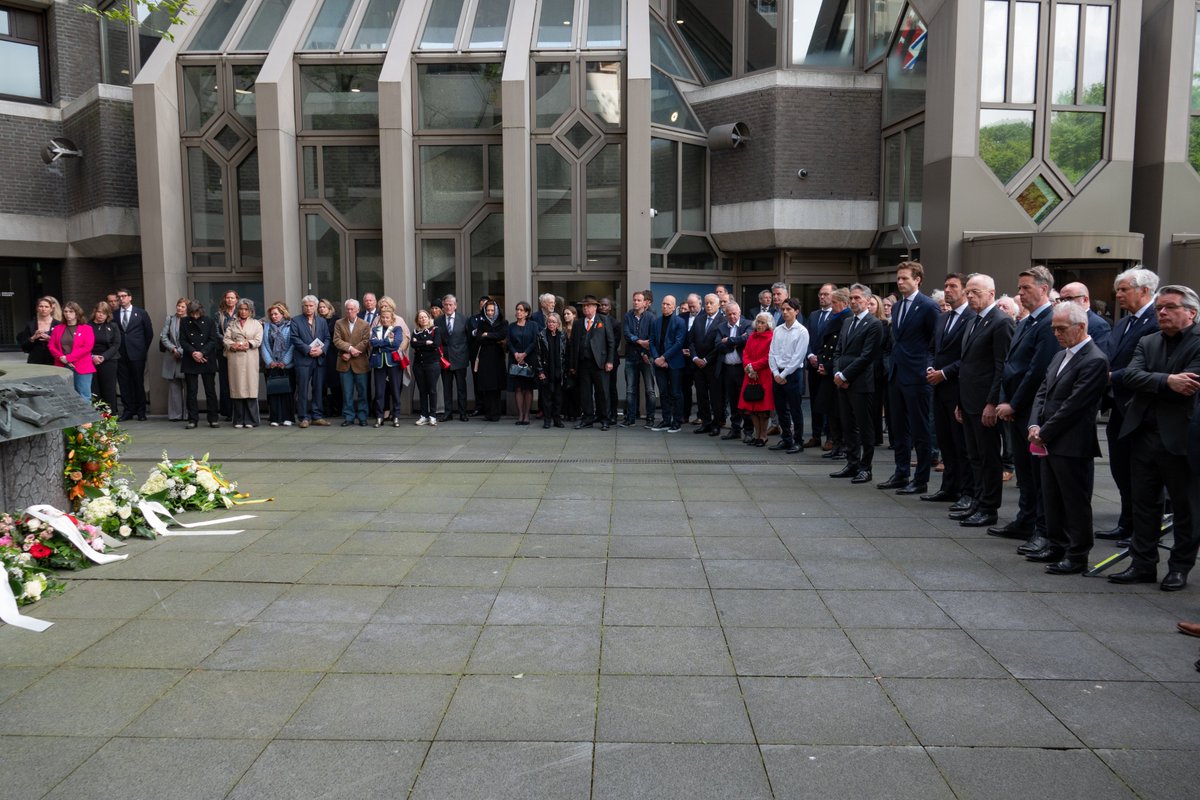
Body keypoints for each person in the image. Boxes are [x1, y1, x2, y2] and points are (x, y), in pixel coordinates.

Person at [1109, 285, 1200, 591]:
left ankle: (1179, 567)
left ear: (1191, 312)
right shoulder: (1148, 341)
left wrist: (1156, 382)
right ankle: (1142, 563)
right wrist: (1167, 381)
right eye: (1159, 307)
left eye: (1170, 307)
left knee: (1185, 507)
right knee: (1144, 504)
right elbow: (1131, 376)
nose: (1161, 313)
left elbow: (1191, 385)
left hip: (1182, 437)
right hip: (1143, 434)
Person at [1025, 302, 1110, 572]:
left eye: (1061, 329)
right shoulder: (1060, 356)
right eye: (1053, 329)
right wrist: (1034, 425)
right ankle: (1056, 545)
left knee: (1074, 500)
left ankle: (1077, 554)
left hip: (1072, 442)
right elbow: (1043, 392)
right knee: (1051, 496)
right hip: (1048, 438)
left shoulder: (1094, 359)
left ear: (1081, 327)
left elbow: (1075, 405)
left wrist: (1044, 432)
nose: (1056, 334)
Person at [990, 266, 1061, 555]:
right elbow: (1010, 365)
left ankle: (1041, 528)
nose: (1020, 293)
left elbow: (1037, 371)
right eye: (1019, 288)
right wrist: (1005, 400)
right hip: (1015, 407)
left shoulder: (1048, 322)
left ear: (1043, 289)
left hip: (1031, 410)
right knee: (1024, 471)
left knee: (1037, 473)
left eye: (1025, 288)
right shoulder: (1026, 321)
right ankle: (1025, 519)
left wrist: (1014, 403)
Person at [1096, 268, 1160, 542]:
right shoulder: (1123, 323)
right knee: (1121, 468)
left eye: (1124, 289)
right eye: (1118, 289)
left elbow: (1147, 364)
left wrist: (1110, 376)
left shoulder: (1157, 320)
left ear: (1144, 291)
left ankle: (1142, 530)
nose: (1117, 295)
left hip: (1141, 408)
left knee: (1143, 473)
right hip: (1118, 407)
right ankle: (1126, 522)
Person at [954, 274, 1016, 528]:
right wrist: (960, 401)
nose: (969, 296)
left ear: (991, 293)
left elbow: (1002, 366)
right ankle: (978, 502)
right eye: (968, 291)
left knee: (989, 457)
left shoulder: (1001, 322)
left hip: (984, 403)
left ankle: (989, 507)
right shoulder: (973, 320)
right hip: (968, 400)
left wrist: (992, 402)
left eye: (975, 292)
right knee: (975, 455)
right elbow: (967, 364)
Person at [880, 261, 939, 495]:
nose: (900, 281)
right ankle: (901, 472)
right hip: (896, 374)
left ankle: (921, 478)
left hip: (917, 376)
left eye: (905, 278)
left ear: (918, 280)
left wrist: (928, 367)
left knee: (920, 428)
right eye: (899, 278)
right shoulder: (897, 307)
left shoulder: (928, 306)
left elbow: (935, 342)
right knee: (898, 428)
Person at [923, 274, 977, 508]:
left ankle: (967, 491)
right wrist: (930, 367)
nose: (947, 290)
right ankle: (949, 486)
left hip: (958, 387)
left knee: (961, 444)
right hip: (939, 387)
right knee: (945, 440)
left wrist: (944, 373)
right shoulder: (942, 318)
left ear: (965, 290)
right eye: (945, 286)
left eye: (953, 286)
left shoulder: (972, 317)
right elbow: (933, 349)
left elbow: (967, 357)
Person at [828, 285, 884, 483]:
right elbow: (838, 351)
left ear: (867, 300)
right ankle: (852, 463)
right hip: (842, 381)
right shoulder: (847, 322)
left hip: (860, 383)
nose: (853, 301)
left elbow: (867, 356)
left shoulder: (874, 324)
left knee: (864, 426)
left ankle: (865, 468)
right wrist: (836, 372)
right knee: (848, 424)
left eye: (857, 298)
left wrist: (845, 376)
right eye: (851, 298)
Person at [768, 298, 810, 454]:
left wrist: (784, 374)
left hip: (793, 374)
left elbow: (798, 357)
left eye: (789, 309)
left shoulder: (802, 331)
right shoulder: (778, 330)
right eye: (783, 309)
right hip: (778, 372)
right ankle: (786, 438)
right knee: (780, 409)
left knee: (795, 409)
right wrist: (775, 373)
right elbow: (772, 353)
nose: (785, 312)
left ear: (796, 311)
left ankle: (798, 441)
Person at [574, 295, 615, 430]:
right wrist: (573, 365)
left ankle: (605, 419)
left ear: (595, 307)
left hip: (600, 363)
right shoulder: (578, 323)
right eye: (583, 306)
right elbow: (573, 345)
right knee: (585, 393)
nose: (585, 308)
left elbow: (611, 342)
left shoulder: (603, 320)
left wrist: (610, 361)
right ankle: (587, 418)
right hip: (583, 363)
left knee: (602, 392)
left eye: (588, 306)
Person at [290, 295, 331, 428]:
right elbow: (294, 338)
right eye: (306, 306)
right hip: (303, 360)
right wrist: (308, 349)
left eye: (311, 305)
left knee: (318, 389)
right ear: (303, 307)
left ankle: (317, 416)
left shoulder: (322, 321)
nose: (308, 308)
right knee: (302, 389)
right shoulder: (296, 320)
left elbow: (327, 338)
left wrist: (322, 350)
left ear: (315, 307)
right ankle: (303, 417)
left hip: (319, 360)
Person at [688, 293, 726, 435]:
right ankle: (706, 422)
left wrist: (706, 360)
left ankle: (716, 424)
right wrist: (695, 357)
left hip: (713, 365)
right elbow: (690, 340)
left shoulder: (723, 320)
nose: (708, 305)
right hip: (698, 365)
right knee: (701, 395)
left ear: (718, 305)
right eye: (707, 303)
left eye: (711, 303)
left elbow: (719, 345)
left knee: (716, 396)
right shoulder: (699, 319)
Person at [804, 283, 836, 448]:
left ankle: (830, 437)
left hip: (828, 368)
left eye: (825, 294)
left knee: (828, 402)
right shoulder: (814, 315)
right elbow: (806, 338)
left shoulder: (837, 316)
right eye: (820, 294)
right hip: (813, 365)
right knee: (814, 401)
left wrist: (823, 360)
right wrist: (810, 355)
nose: (822, 297)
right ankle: (815, 435)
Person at [115, 288, 154, 421]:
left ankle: (141, 411)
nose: (121, 299)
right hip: (120, 354)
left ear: (130, 298)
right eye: (119, 296)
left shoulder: (141, 313)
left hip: (137, 353)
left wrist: (142, 349)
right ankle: (128, 410)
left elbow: (149, 333)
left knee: (138, 382)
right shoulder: (114, 314)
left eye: (124, 296)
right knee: (124, 384)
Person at [180, 300, 221, 429]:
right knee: (191, 391)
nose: (195, 316)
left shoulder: (209, 321)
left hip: (207, 357)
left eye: (197, 313)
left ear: (201, 311)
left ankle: (213, 418)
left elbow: (212, 340)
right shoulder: (185, 321)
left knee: (210, 390)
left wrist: (202, 353)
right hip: (190, 358)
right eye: (192, 313)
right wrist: (193, 353)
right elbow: (182, 340)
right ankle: (192, 419)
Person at [223, 298, 262, 428]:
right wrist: (233, 345)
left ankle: (251, 420)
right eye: (241, 309)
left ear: (251, 311)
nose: (243, 312)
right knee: (237, 388)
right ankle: (238, 420)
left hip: (250, 357)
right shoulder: (232, 323)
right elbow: (226, 339)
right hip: (235, 359)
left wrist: (248, 343)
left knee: (250, 388)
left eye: (246, 309)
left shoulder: (256, 323)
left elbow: (258, 339)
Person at [650, 294, 687, 432]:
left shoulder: (679, 322)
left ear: (674, 307)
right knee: (664, 393)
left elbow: (678, 343)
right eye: (663, 304)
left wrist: (664, 358)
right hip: (659, 363)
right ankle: (666, 420)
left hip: (674, 363)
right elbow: (652, 341)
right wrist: (657, 358)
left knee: (676, 393)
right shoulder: (656, 322)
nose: (665, 306)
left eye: (668, 304)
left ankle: (677, 422)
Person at [717, 302, 752, 440]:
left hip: (742, 369)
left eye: (734, 314)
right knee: (733, 400)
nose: (732, 317)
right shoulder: (721, 327)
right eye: (729, 314)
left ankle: (748, 431)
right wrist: (735, 343)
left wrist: (729, 340)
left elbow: (747, 339)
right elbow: (718, 344)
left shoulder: (747, 324)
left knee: (746, 400)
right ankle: (735, 429)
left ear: (740, 312)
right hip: (728, 369)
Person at [333, 298, 371, 427]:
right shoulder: (339, 323)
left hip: (360, 362)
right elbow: (337, 340)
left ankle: (362, 416)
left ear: (358, 310)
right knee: (347, 393)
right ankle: (348, 417)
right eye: (348, 309)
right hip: (344, 363)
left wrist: (352, 352)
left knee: (362, 392)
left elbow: (366, 341)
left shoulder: (365, 324)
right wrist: (349, 349)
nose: (350, 311)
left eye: (352, 309)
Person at [622, 291, 657, 427]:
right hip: (631, 358)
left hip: (646, 358)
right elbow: (626, 334)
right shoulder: (628, 316)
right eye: (634, 300)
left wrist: (643, 351)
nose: (636, 302)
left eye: (639, 300)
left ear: (644, 303)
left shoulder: (650, 317)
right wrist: (639, 341)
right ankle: (630, 418)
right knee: (630, 389)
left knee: (650, 390)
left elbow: (652, 338)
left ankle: (650, 419)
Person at [370, 304, 408, 427]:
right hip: (379, 363)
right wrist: (387, 342)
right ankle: (379, 417)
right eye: (383, 317)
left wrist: (382, 343)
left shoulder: (397, 329)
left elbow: (396, 344)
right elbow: (373, 343)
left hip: (394, 363)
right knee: (380, 391)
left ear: (391, 318)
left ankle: (396, 416)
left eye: (387, 317)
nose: (385, 319)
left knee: (395, 390)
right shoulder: (376, 330)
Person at [740, 312, 775, 446]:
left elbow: (768, 357)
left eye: (762, 322)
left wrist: (753, 367)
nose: (759, 325)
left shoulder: (772, 337)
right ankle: (756, 434)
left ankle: (763, 435)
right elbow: (746, 353)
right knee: (752, 408)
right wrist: (749, 368)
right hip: (750, 375)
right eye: (758, 322)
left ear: (768, 325)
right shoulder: (752, 336)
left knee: (763, 409)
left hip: (764, 375)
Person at [48, 301, 96, 399]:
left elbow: (87, 347)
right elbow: (51, 346)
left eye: (71, 311)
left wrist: (69, 358)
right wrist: (61, 358)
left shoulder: (87, 329)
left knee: (83, 395)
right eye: (65, 311)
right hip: (61, 365)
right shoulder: (57, 328)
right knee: (64, 395)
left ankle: (84, 415)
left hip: (82, 366)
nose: (68, 314)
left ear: (77, 313)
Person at [261, 302, 296, 427]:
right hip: (272, 365)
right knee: (273, 393)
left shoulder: (291, 325)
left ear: (282, 314)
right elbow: (264, 345)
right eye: (272, 314)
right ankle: (274, 418)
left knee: (287, 393)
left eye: (276, 314)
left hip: (286, 366)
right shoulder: (266, 327)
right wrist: (270, 361)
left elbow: (292, 345)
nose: (274, 316)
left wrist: (284, 361)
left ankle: (288, 418)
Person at [436, 294, 470, 421]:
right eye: (446, 305)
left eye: (451, 305)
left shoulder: (464, 319)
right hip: (445, 358)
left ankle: (463, 413)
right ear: (443, 306)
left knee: (461, 387)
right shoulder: (438, 321)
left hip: (460, 357)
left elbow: (468, 339)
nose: (448, 307)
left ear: (455, 306)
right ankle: (448, 413)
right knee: (447, 387)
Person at [473, 299, 508, 421]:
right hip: (485, 358)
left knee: (496, 388)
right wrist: (493, 337)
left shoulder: (503, 322)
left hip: (497, 358)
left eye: (492, 310)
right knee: (486, 387)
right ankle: (488, 413)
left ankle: (496, 414)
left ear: (497, 310)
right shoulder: (481, 323)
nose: (490, 312)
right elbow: (478, 338)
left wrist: (487, 335)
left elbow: (502, 335)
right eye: (487, 310)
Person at [507, 301, 539, 425]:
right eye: (517, 309)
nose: (518, 312)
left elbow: (535, 341)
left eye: (521, 310)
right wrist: (516, 353)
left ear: (526, 313)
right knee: (518, 388)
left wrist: (524, 354)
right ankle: (520, 414)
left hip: (529, 359)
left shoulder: (533, 325)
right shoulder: (511, 326)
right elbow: (509, 342)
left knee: (528, 388)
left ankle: (527, 415)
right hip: (515, 360)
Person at [409, 309, 443, 426]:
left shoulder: (435, 329)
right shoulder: (415, 331)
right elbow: (413, 344)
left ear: (429, 318)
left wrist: (421, 344)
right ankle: (424, 415)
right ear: (417, 320)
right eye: (420, 317)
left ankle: (433, 415)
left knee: (432, 390)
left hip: (432, 364)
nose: (423, 319)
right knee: (422, 391)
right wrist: (425, 343)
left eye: (425, 317)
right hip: (418, 365)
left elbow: (435, 344)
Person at [535, 312, 567, 428]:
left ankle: (557, 419)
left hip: (559, 372)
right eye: (549, 321)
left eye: (553, 322)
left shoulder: (562, 335)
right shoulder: (541, 335)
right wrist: (540, 372)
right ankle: (547, 420)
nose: (551, 324)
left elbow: (565, 354)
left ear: (558, 323)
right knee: (546, 398)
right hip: (546, 371)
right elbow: (537, 355)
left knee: (558, 398)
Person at [159, 298, 188, 421]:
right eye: (178, 306)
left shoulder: (190, 320)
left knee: (189, 387)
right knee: (174, 387)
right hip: (172, 356)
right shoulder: (170, 319)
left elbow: (192, 339)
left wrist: (181, 351)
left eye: (182, 307)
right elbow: (163, 336)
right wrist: (173, 349)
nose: (179, 308)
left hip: (186, 356)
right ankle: (175, 415)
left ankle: (188, 414)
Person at [89, 301, 121, 410]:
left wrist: (104, 357)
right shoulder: (87, 326)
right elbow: (83, 344)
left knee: (108, 390)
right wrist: (93, 357)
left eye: (104, 313)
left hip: (109, 361)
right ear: (95, 312)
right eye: (99, 312)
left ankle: (110, 417)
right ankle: (97, 417)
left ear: (108, 314)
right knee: (94, 390)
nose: (101, 315)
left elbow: (116, 344)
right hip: (90, 361)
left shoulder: (112, 326)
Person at [215, 289, 239, 420]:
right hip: (223, 351)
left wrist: (237, 344)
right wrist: (227, 342)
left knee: (237, 380)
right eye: (228, 297)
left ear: (236, 299)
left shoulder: (241, 312)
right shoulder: (219, 314)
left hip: (239, 350)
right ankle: (228, 412)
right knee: (225, 381)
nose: (230, 300)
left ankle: (238, 410)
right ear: (225, 299)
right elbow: (216, 332)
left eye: (232, 298)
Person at [17, 297, 60, 366]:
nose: (43, 309)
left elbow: (64, 345)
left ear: (51, 309)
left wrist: (50, 339)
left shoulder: (58, 324)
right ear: (37, 308)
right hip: (35, 361)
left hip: (53, 360)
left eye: (46, 307)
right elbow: (24, 347)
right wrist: (33, 338)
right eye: (41, 306)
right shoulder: (31, 325)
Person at [317, 298, 341, 418]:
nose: (321, 309)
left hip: (333, 354)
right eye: (320, 307)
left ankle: (337, 408)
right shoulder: (316, 320)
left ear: (329, 307)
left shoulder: (336, 320)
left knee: (335, 383)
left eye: (324, 307)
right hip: (319, 354)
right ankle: (324, 409)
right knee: (321, 384)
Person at [599, 297, 621, 425]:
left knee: (611, 388)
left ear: (610, 307)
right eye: (601, 305)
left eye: (605, 305)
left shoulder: (615, 323)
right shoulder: (595, 321)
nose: (603, 307)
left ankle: (613, 414)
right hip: (597, 360)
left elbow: (615, 344)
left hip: (611, 360)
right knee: (599, 389)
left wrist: (608, 360)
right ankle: (601, 414)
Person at [561, 304, 581, 421]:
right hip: (565, 362)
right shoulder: (562, 329)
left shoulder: (578, 328)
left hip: (576, 362)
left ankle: (576, 413)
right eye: (564, 314)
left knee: (575, 389)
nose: (566, 316)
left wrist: (574, 365)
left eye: (568, 314)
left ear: (574, 315)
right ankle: (566, 412)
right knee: (565, 388)